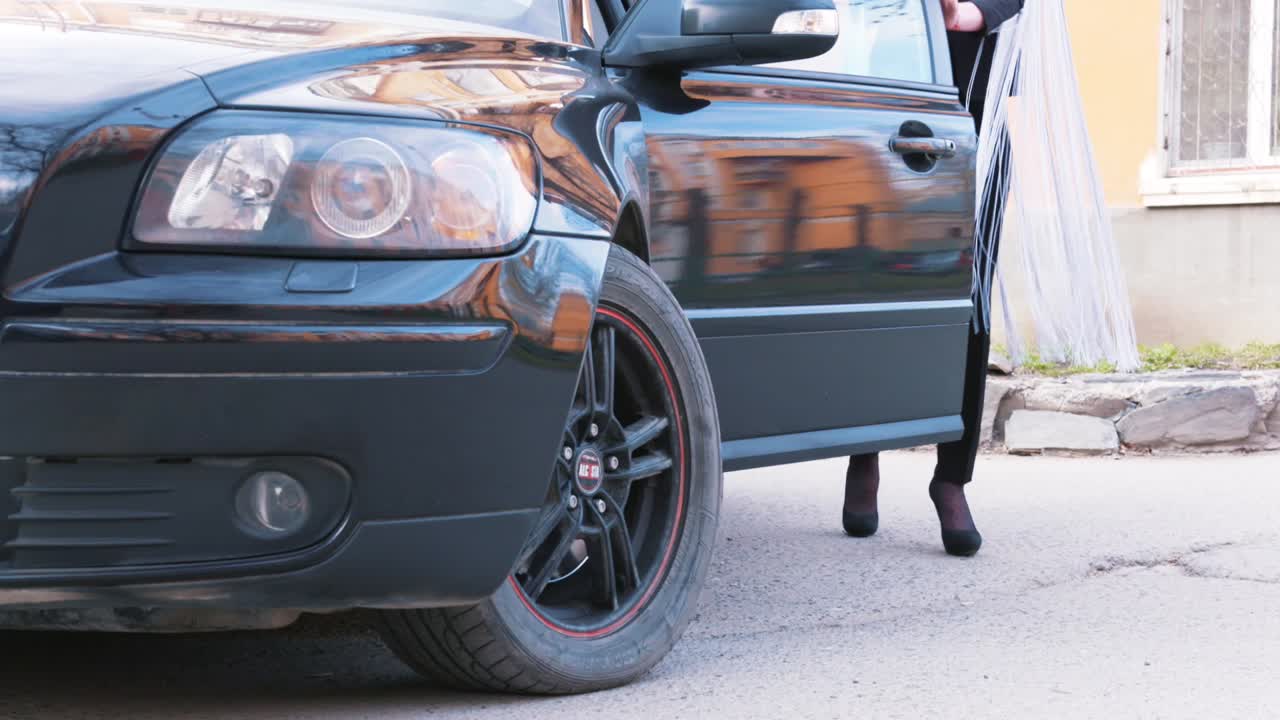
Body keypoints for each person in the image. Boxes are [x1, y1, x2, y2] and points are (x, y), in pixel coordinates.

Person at [842, 0, 1023, 557]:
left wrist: (974, 10)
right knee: (879, 301)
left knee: (968, 313)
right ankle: (864, 453)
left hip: (973, 137)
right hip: (880, 134)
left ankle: (952, 480)